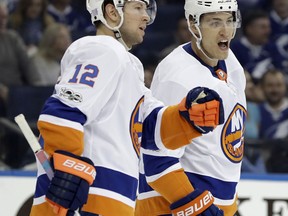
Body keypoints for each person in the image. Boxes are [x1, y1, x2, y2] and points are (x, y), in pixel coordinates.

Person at [29, 0, 224, 215]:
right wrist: (68, 167)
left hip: (111, 198)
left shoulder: (128, 65)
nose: (146, 17)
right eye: (138, 8)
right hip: (84, 200)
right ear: (112, 12)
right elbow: (63, 111)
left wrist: (187, 117)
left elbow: (148, 128)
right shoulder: (101, 49)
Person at [136, 0, 246, 215]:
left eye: (230, 21)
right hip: (170, 207)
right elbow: (154, 156)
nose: (226, 31)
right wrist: (195, 204)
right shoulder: (177, 76)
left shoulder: (230, 62)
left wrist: (229, 201)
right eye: (215, 23)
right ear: (194, 26)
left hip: (216, 203)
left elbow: (227, 146)